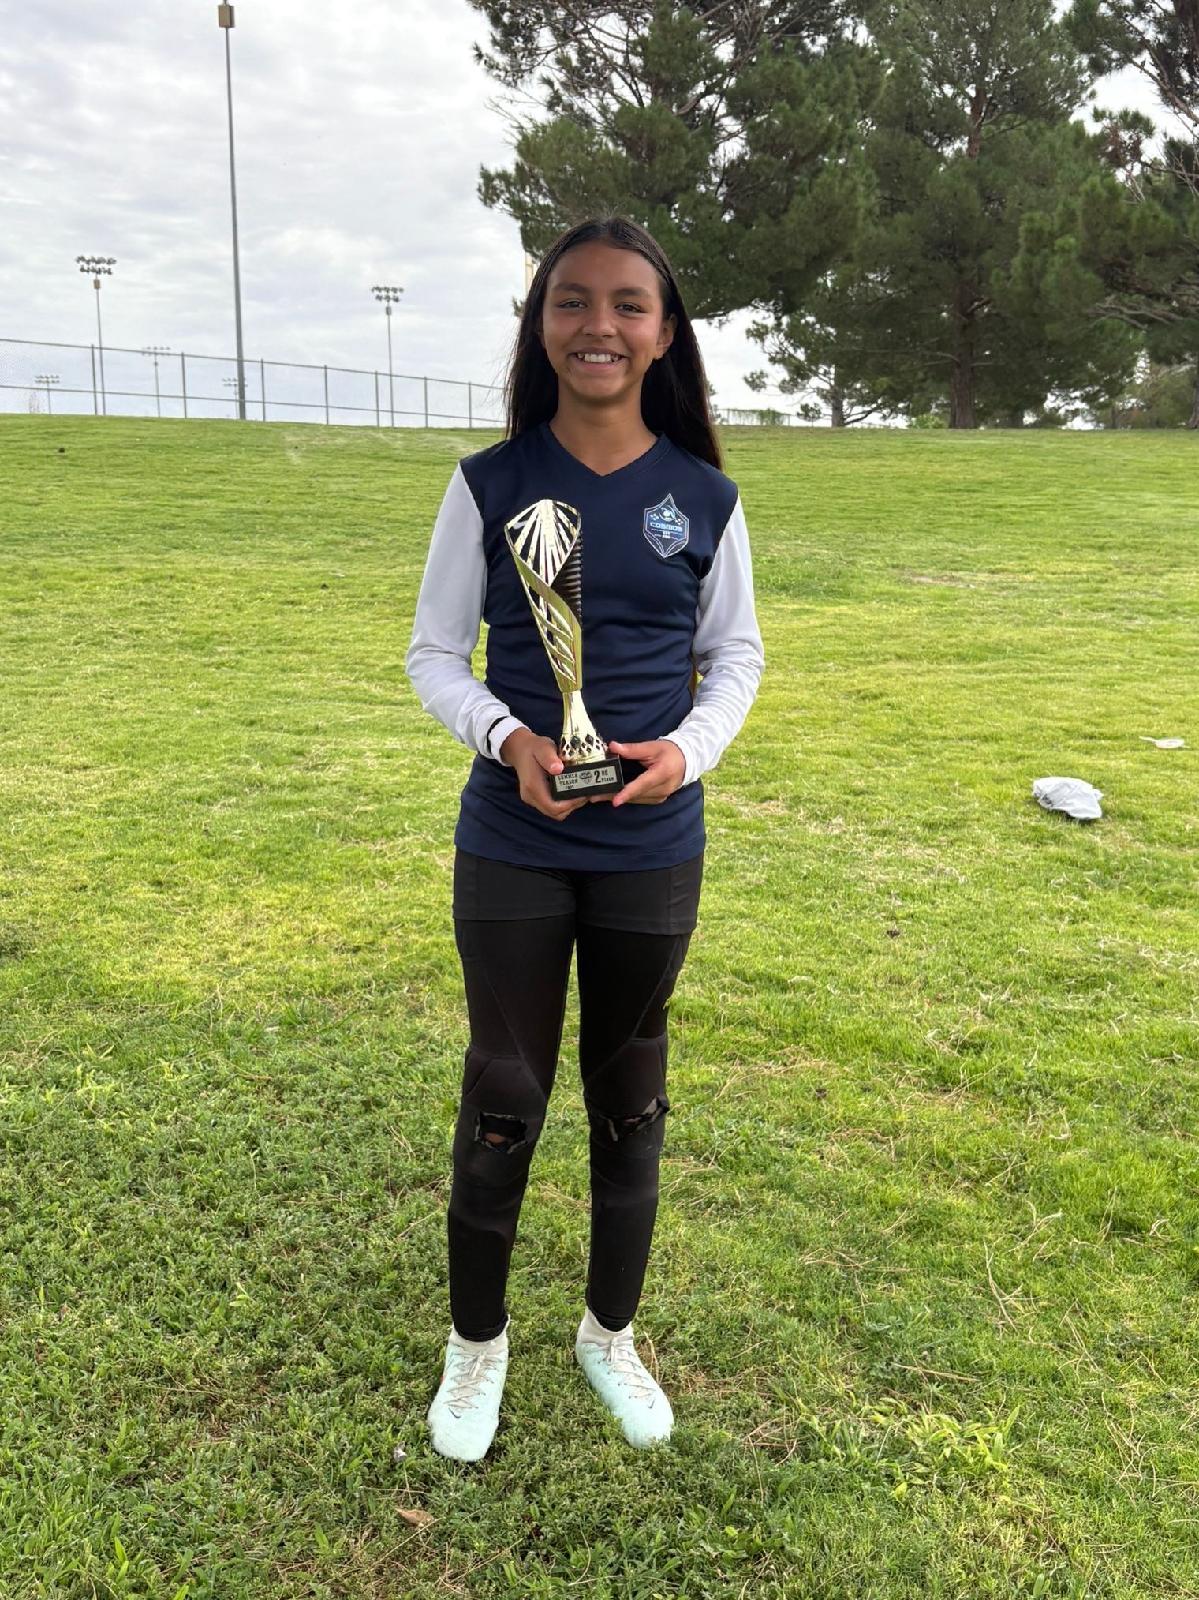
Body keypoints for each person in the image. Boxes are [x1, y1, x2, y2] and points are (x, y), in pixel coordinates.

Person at [406, 215, 765, 1462]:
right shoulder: (489, 484)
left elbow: (733, 656)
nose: (596, 325)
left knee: (630, 1096)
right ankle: (476, 1346)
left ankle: (608, 1334)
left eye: (625, 305)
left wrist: (685, 754)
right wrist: (510, 738)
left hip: (649, 846)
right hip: (512, 837)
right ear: (539, 324)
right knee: (503, 1091)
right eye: (570, 301)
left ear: (662, 335)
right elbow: (433, 654)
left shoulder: (702, 497)